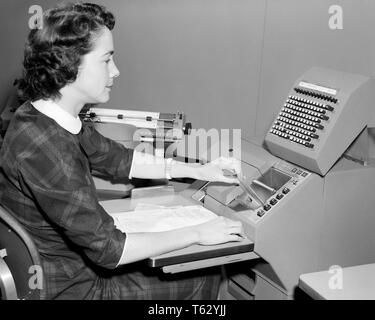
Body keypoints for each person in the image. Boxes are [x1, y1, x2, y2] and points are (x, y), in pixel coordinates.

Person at [0, 2, 243, 300]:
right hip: (73, 290)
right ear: (68, 64)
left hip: (56, 271)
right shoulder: (49, 148)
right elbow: (111, 251)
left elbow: (118, 158)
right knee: (201, 272)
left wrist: (198, 170)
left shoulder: (37, 115)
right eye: (106, 60)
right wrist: (198, 234)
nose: (116, 71)